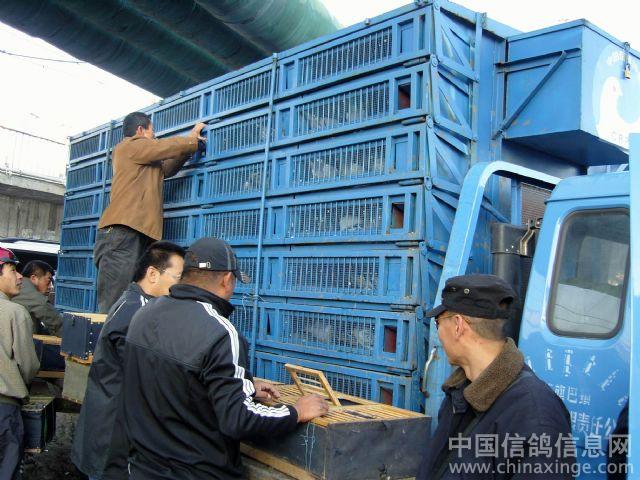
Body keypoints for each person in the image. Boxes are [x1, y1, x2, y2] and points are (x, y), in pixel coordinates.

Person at [122, 237, 329, 479]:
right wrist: (295, 412)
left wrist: (238, 387)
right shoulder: (220, 332)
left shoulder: (144, 313)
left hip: (142, 469)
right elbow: (239, 419)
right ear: (227, 279)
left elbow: (171, 383)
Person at [417, 274, 574, 479]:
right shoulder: (459, 393)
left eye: (438, 323)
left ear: (458, 325)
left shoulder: (536, 415)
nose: (438, 334)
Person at [72, 241, 186, 480]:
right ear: (152, 274)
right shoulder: (136, 312)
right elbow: (149, 373)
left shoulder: (133, 304)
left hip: (110, 433)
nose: (182, 286)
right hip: (113, 438)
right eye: (178, 278)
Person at [94, 111, 206, 313]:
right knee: (114, 303)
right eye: (152, 132)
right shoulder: (128, 146)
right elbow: (161, 147)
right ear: (140, 130)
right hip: (122, 233)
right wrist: (191, 138)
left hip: (136, 234)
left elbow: (166, 168)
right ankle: (109, 333)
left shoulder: (144, 159)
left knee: (136, 300)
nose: (155, 136)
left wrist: (189, 150)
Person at [0, 247, 40, 480]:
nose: (19, 277)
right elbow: (29, 365)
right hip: (4, 410)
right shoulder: (15, 312)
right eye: (13, 270)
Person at [12, 260, 62, 336]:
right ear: (34, 278)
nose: (50, 287)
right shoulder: (29, 293)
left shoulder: (21, 286)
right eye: (48, 281)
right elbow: (57, 324)